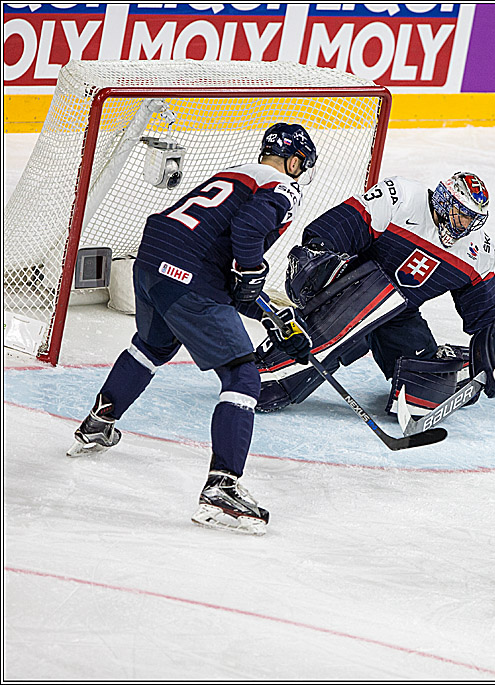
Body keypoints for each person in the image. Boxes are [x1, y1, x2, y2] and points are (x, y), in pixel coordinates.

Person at [66, 123, 318, 536]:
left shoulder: (237, 173)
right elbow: (248, 236)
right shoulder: (283, 188)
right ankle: (222, 488)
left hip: (152, 259)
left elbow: (224, 273)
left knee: (151, 345)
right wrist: (254, 273)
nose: (299, 172)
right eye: (301, 164)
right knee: (242, 376)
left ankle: (99, 421)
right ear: (293, 161)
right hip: (188, 273)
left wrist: (270, 313)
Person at [254, 171, 495, 417]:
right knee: (285, 377)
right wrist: (318, 256)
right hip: (354, 292)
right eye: (462, 214)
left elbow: (487, 314)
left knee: (423, 390)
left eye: (472, 219)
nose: (465, 225)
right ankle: (266, 376)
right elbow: (341, 225)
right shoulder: (402, 197)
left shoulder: (476, 250)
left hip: (400, 312)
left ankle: (453, 368)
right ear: (444, 202)